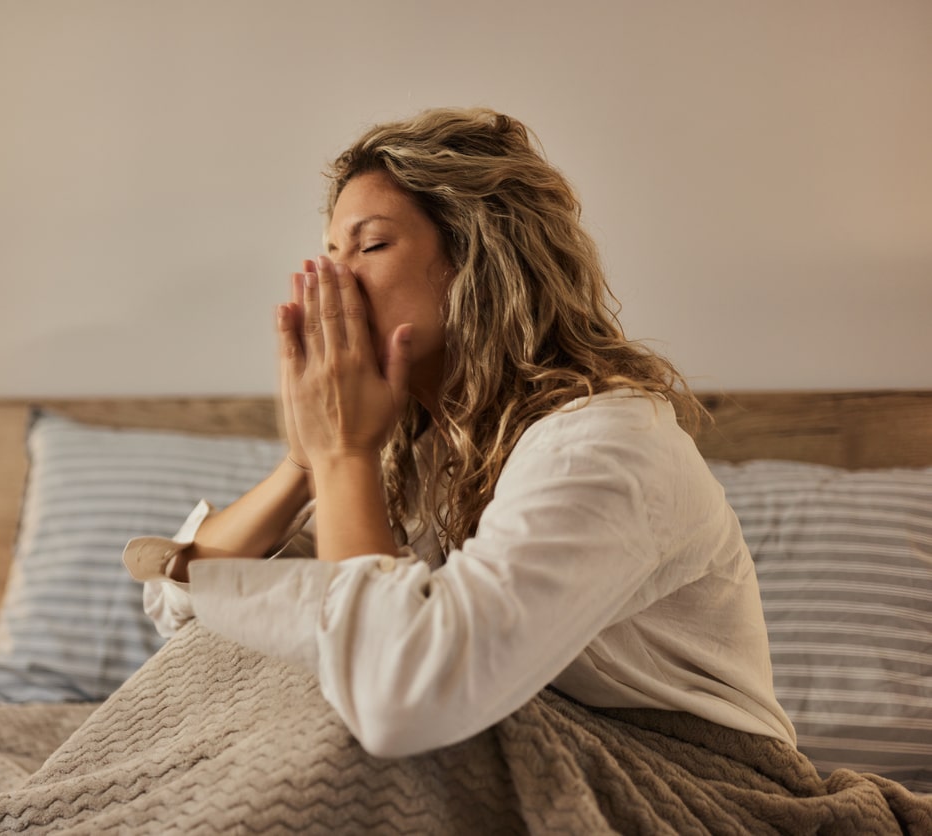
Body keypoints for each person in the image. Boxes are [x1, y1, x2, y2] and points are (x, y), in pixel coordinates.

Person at [122, 107, 795, 758]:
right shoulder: (420, 452)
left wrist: (343, 455)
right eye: (329, 252)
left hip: (689, 774)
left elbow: (396, 699)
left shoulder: (607, 444)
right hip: (538, 744)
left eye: (372, 245)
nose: (334, 279)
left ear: (478, 259)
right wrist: (306, 463)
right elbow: (191, 602)